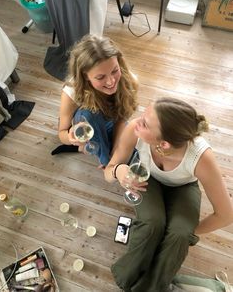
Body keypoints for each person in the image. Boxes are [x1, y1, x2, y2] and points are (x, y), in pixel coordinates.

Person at [104, 97, 233, 292]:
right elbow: (108, 171)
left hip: (183, 187)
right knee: (152, 224)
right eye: (144, 114)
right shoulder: (134, 130)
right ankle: (125, 277)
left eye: (145, 124)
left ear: (163, 144)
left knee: (179, 234)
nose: (137, 121)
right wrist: (118, 171)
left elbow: (226, 214)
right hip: (147, 179)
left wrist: (188, 231)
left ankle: (150, 288)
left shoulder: (201, 157)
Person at [51, 34, 138, 166]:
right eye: (100, 77)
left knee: (131, 141)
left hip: (110, 120)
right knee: (90, 114)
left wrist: (115, 150)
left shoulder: (128, 80)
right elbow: (61, 134)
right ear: (85, 76)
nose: (111, 81)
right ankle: (103, 158)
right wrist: (70, 137)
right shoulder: (71, 92)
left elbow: (121, 119)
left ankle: (92, 149)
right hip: (85, 123)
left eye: (115, 71)